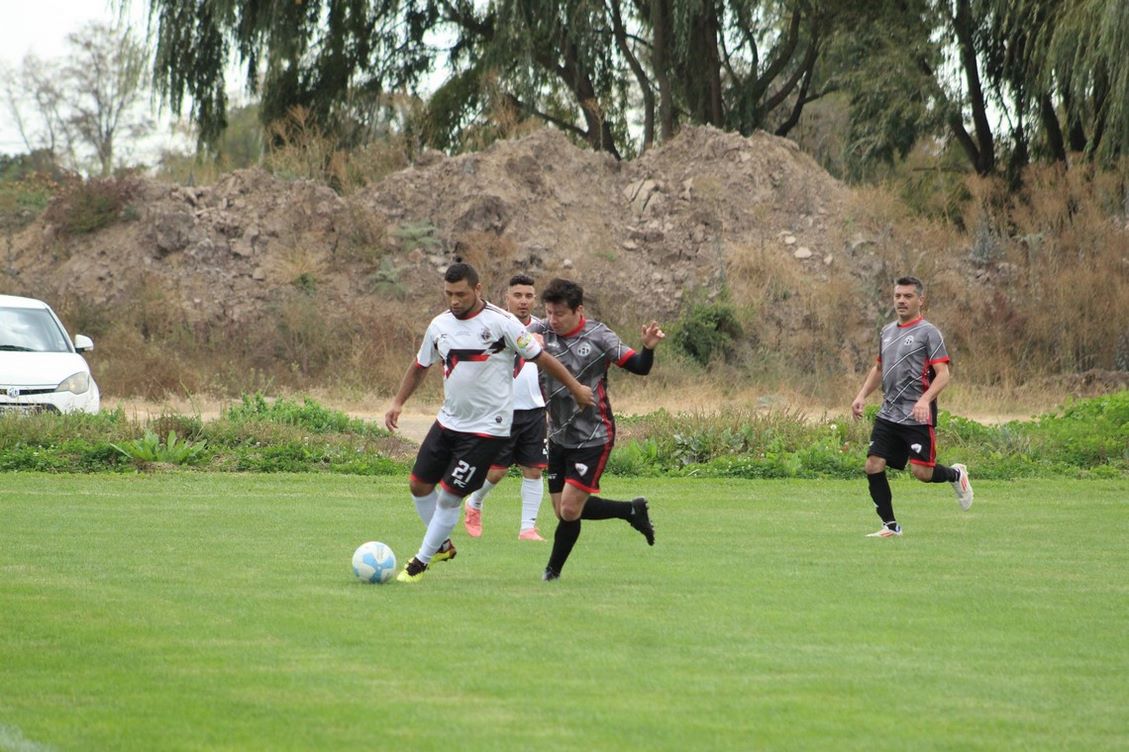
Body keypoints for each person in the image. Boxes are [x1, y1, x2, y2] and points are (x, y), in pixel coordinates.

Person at [384, 261, 594, 583]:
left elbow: (542, 359)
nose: (454, 300)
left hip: (487, 429)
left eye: (461, 294)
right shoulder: (439, 325)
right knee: (418, 486)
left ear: (477, 289)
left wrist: (576, 388)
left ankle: (420, 562)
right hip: (449, 422)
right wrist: (398, 402)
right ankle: (441, 546)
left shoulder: (502, 323)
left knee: (449, 496)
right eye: (449, 294)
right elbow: (420, 365)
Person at [530, 278, 665, 581]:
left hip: (593, 434)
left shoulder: (599, 336)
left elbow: (639, 366)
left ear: (578, 310)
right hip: (558, 434)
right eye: (549, 312)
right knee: (563, 510)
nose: (552, 320)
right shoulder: (539, 331)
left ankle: (552, 573)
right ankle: (631, 510)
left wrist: (647, 348)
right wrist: (525, 342)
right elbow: (510, 344)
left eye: (559, 314)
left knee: (569, 509)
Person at [850, 275, 974, 538]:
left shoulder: (929, 333)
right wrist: (861, 395)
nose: (901, 301)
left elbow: (943, 374)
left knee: (922, 473)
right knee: (873, 464)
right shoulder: (887, 331)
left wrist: (924, 400)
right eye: (898, 296)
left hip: (917, 415)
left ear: (920, 300)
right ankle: (890, 526)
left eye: (908, 296)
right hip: (888, 413)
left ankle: (955, 475)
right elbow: (879, 368)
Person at [463, 274, 549, 541]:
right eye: (518, 295)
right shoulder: (496, 325)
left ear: (535, 299)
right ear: (507, 297)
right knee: (497, 471)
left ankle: (527, 529)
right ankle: (474, 503)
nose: (523, 301)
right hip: (501, 409)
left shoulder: (544, 329)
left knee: (534, 469)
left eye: (529, 296)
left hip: (534, 410)